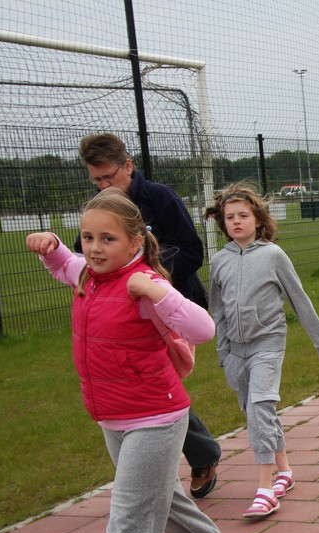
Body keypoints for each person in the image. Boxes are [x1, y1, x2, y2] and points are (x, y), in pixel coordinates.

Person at [26, 188, 237, 533]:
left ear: (136, 241)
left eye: (108, 239)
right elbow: (66, 266)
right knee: (165, 500)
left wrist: (159, 293)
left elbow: (203, 328)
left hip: (156, 418)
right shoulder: (88, 275)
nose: (95, 247)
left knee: (128, 527)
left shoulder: (143, 284)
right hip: (113, 418)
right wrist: (53, 248)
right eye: (88, 237)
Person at [78, 133, 222, 500]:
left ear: (128, 166)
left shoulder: (160, 198)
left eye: (109, 177)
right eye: (96, 180)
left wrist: (150, 276)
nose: (103, 186)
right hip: (123, 314)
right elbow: (86, 259)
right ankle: (171, 473)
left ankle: (199, 457)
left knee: (160, 387)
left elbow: (192, 251)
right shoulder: (99, 209)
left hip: (170, 312)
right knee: (150, 388)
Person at [205, 183, 319, 519]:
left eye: (243, 215)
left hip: (268, 344)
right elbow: (217, 312)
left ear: (258, 219)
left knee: (259, 408)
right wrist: (224, 353)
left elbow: (300, 302)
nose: (237, 221)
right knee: (257, 412)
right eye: (230, 217)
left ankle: (265, 489)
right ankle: (285, 471)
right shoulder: (219, 261)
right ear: (223, 222)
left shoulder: (273, 256)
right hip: (236, 352)